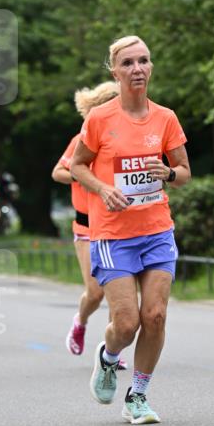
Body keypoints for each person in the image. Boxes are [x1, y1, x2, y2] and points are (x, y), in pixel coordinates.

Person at [70, 35, 190, 424]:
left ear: (151, 67)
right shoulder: (100, 118)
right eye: (128, 63)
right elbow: (77, 166)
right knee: (127, 323)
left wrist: (169, 173)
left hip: (157, 229)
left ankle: (138, 394)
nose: (137, 69)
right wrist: (103, 189)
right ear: (115, 71)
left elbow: (184, 172)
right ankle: (107, 357)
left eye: (143, 61)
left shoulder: (166, 118)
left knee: (154, 316)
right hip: (112, 236)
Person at [51, 82, 126, 367]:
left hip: (118, 225)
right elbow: (58, 172)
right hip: (87, 227)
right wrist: (84, 175)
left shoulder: (126, 139)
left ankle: (112, 349)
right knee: (95, 292)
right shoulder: (81, 139)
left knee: (118, 289)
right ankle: (80, 320)